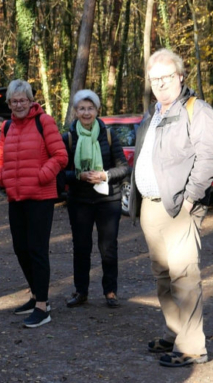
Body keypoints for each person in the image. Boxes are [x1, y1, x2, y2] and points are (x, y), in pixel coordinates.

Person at [129, 48, 213, 367]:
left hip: (180, 207)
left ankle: (192, 347)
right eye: (154, 79)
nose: (160, 84)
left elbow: (208, 158)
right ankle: (175, 332)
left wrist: (190, 198)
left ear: (180, 76)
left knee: (184, 274)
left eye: (166, 77)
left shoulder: (198, 110)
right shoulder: (152, 114)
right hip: (150, 207)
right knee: (162, 274)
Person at [0, 79, 68, 328]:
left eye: (22, 100)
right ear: (9, 104)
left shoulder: (43, 121)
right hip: (15, 197)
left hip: (40, 197)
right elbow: (0, 158)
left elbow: (60, 156)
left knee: (37, 250)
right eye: (14, 101)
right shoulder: (6, 127)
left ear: (30, 100)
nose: (18, 105)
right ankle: (36, 294)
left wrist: (41, 177)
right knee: (20, 248)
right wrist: (0, 176)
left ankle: (42, 306)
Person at [63, 90, 129, 309]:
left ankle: (110, 292)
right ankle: (81, 291)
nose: (86, 112)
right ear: (75, 111)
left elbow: (123, 168)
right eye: (81, 108)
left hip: (108, 199)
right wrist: (78, 176)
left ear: (97, 110)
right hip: (79, 201)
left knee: (108, 248)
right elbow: (60, 173)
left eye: (90, 108)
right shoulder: (69, 137)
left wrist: (104, 175)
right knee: (81, 248)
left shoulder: (109, 135)